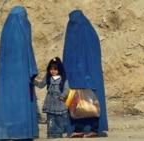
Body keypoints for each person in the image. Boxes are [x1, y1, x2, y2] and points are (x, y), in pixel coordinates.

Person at [0, 6, 39, 140]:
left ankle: (6, 132)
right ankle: (22, 132)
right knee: (22, 100)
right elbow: (29, 53)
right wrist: (33, 70)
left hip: (6, 78)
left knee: (7, 101)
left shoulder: (6, 32)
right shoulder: (23, 31)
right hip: (22, 75)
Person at [62, 9, 108, 138]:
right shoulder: (73, 33)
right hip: (75, 74)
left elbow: (93, 56)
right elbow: (68, 55)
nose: (74, 25)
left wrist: (85, 72)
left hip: (88, 74)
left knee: (91, 101)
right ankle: (78, 129)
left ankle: (94, 129)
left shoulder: (89, 35)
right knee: (76, 103)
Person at [34, 57, 69, 138]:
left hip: (59, 101)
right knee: (50, 119)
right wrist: (33, 81)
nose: (53, 71)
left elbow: (66, 89)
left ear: (59, 69)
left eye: (55, 69)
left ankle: (59, 134)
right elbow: (41, 85)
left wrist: (63, 96)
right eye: (51, 69)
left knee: (59, 118)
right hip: (49, 101)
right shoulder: (48, 78)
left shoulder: (63, 80)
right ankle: (51, 134)